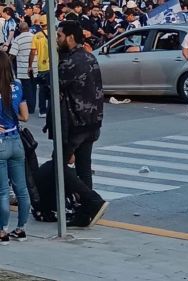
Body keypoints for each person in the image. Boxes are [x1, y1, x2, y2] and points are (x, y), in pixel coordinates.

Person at [55, 20, 105, 194]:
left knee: (58, 166)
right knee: (84, 167)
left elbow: (54, 87)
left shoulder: (70, 62)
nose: (56, 39)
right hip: (92, 123)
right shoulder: (90, 56)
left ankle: (90, 202)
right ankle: (87, 208)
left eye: (59, 36)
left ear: (69, 38)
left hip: (76, 125)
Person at [0, 51, 30, 245]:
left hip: (1, 142)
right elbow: (25, 116)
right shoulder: (18, 85)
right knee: (22, 189)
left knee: (2, 191)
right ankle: (21, 229)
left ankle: (2, 231)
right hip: (16, 140)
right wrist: (13, 120)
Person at [34, 157, 109, 227]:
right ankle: (88, 207)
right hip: (49, 209)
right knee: (79, 163)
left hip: (47, 209)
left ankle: (90, 203)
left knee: (61, 162)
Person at [9, 22, 38, 114]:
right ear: (28, 28)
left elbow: (12, 54)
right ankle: (32, 106)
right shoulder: (34, 37)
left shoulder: (18, 39)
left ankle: (29, 108)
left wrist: (7, 63)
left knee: (26, 89)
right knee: (33, 88)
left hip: (23, 68)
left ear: (20, 30)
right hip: (35, 67)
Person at [29, 15, 50, 119]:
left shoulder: (36, 36)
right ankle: (52, 108)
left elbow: (33, 52)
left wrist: (30, 65)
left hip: (41, 66)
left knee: (42, 89)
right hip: (53, 66)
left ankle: (42, 110)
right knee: (52, 88)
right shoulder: (54, 34)